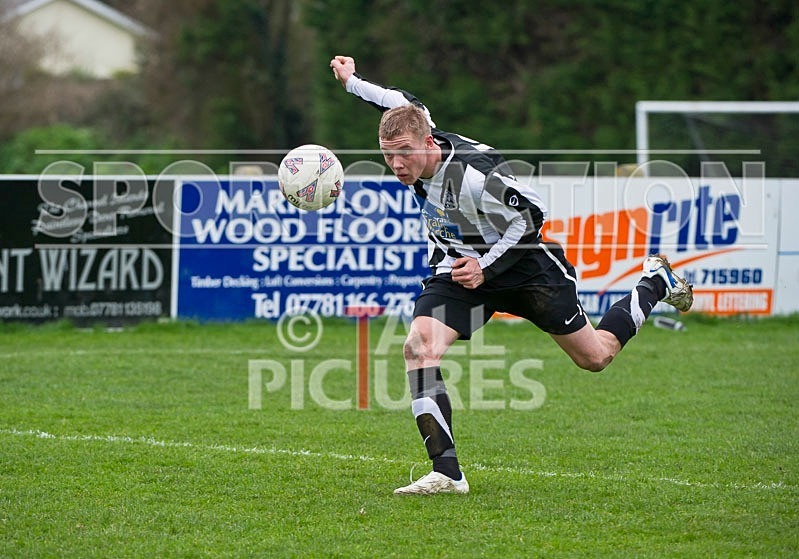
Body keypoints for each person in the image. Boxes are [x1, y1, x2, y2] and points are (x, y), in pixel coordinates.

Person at [329, 55, 693, 495]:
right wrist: (351, 81)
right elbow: (388, 101)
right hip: (461, 270)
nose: (397, 164)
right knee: (418, 347)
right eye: (388, 156)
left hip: (525, 267)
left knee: (595, 357)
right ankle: (446, 472)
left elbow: (533, 217)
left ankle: (655, 282)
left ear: (428, 141)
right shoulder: (412, 121)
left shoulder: (476, 176)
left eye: (404, 153)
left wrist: (486, 266)